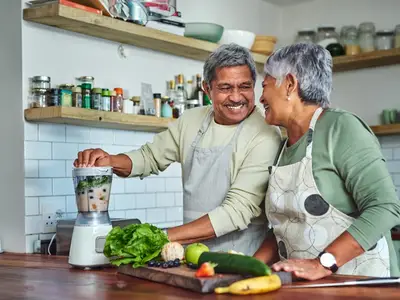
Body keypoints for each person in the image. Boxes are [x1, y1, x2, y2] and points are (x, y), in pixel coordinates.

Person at [74, 43, 282, 255]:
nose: (236, 97)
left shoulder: (265, 134)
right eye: (225, 88)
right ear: (207, 89)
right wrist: (110, 160)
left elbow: (236, 211)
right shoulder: (191, 121)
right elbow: (150, 157)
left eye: (245, 87)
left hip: (241, 258)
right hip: (190, 255)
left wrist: (160, 237)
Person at [253, 43, 400, 280]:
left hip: (359, 285)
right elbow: (288, 229)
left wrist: (323, 263)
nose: (260, 97)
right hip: (305, 289)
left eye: (265, 85)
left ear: (289, 84)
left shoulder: (341, 128)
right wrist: (247, 267)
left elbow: (385, 207)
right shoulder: (283, 147)